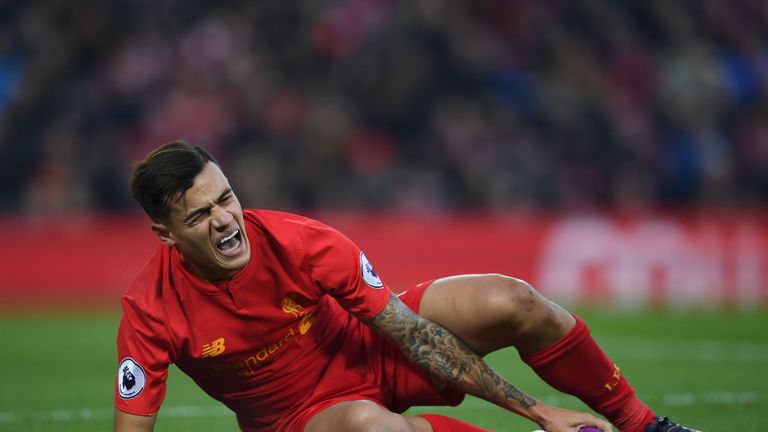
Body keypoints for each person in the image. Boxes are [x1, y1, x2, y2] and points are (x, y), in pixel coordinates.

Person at [114, 141, 700, 432]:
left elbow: (413, 335)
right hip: (304, 417)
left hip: (375, 349)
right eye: (199, 216)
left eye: (226, 198)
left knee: (514, 300)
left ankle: (644, 425)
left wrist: (538, 410)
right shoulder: (150, 311)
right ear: (165, 234)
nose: (225, 220)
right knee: (373, 428)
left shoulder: (301, 241)